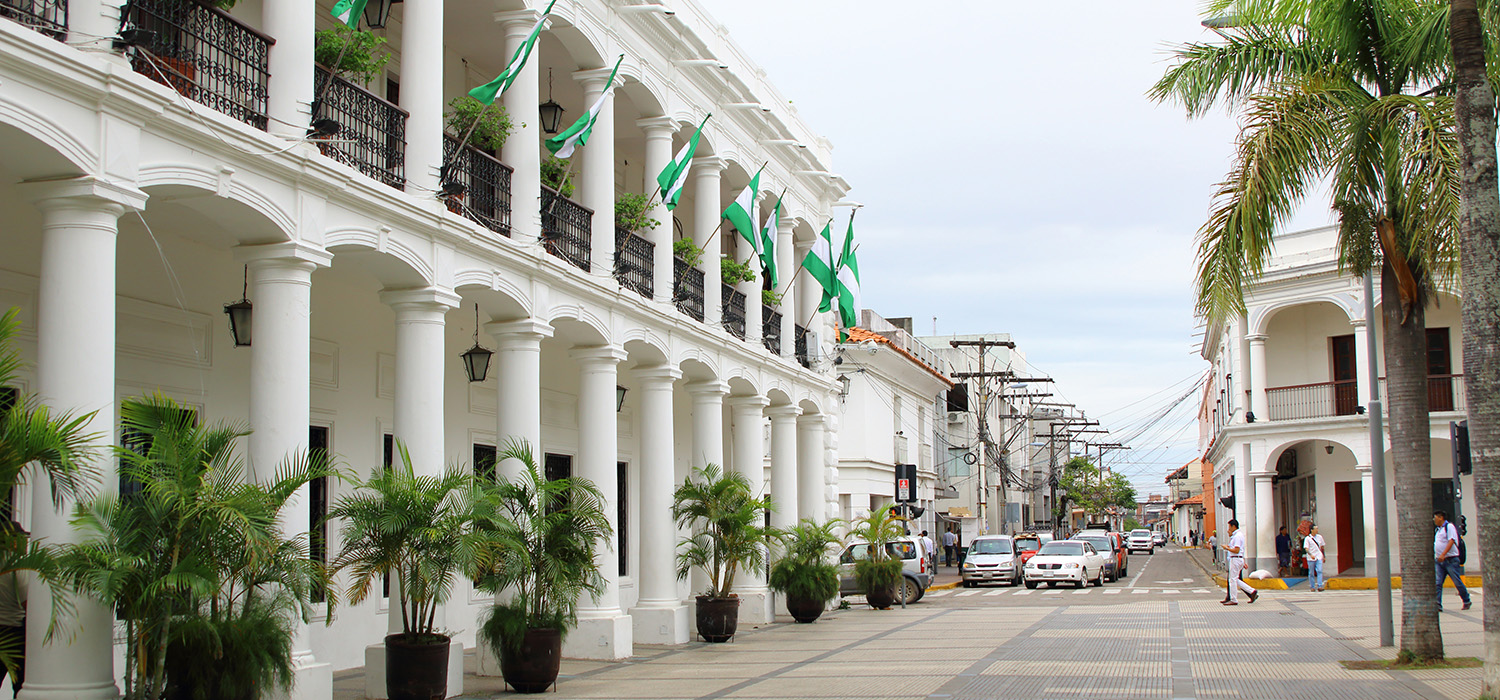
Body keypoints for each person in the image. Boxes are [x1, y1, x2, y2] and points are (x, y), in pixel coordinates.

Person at [1434, 510, 1471, 611]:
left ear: (1441, 517)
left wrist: (1443, 554)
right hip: (1439, 561)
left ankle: (1466, 600)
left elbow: (1452, 540)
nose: (1434, 519)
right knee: (1438, 583)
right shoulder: (1438, 530)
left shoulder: (1449, 527)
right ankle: (1437, 604)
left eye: (1435, 517)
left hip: (1450, 560)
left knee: (1457, 582)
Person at [1220, 519, 1258, 605]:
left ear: (1234, 526)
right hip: (1237, 559)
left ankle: (1234, 599)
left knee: (1232, 580)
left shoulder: (1237, 536)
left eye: (1229, 527)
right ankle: (1251, 591)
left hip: (1235, 559)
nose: (1228, 529)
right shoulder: (1237, 535)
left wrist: (1226, 548)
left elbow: (1236, 550)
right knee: (1235, 579)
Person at [1303, 524, 1325, 592]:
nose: (1317, 530)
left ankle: (1320, 586)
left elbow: (1322, 547)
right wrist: (1310, 554)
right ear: (1312, 530)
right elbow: (1306, 548)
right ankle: (1312, 586)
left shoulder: (1320, 537)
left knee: (1319, 570)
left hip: (1319, 556)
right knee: (1311, 573)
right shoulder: (1307, 538)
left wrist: (1324, 556)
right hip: (1311, 558)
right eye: (1315, 529)